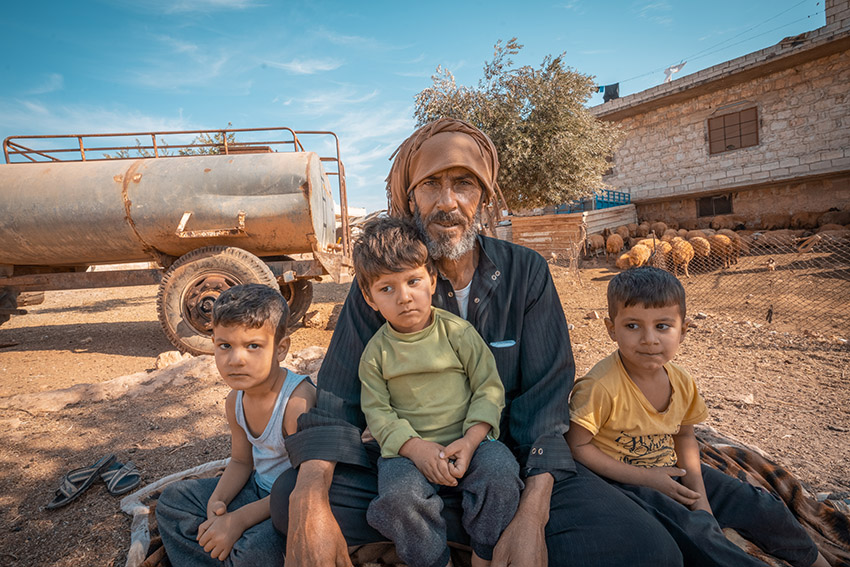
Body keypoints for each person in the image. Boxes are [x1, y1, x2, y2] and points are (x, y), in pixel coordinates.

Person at [271, 117, 683, 566]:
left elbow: (547, 405)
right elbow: (338, 398)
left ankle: (457, 529)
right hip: (411, 463)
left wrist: (532, 514)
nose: (446, 202)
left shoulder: (527, 273)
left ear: (484, 197)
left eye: (463, 184)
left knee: (650, 550)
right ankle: (451, 529)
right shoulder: (382, 282)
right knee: (289, 498)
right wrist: (309, 499)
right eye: (430, 185)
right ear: (411, 198)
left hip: (505, 464)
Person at [566, 266, 828, 567]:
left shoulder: (682, 381)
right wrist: (648, 478)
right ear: (611, 329)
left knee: (763, 506)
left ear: (683, 330)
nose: (649, 339)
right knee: (700, 536)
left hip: (671, 469)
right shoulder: (601, 387)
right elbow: (577, 447)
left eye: (663, 326)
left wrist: (701, 498)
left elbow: (684, 436)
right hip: (623, 482)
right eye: (633, 326)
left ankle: (818, 562)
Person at [354, 216, 522, 567]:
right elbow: (378, 413)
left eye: (413, 281)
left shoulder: (458, 334)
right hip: (407, 453)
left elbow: (488, 389)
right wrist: (415, 449)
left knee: (502, 473)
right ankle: (434, 559)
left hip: (470, 444)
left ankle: (483, 553)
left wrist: (472, 440)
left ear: (431, 280)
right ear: (369, 298)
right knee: (398, 497)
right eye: (387, 289)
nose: (404, 298)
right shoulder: (375, 354)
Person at [156, 284, 316, 566]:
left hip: (290, 504)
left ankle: (221, 551)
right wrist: (216, 504)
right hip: (256, 489)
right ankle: (221, 547)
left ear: (281, 349)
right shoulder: (235, 401)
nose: (236, 359)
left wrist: (238, 521)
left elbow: (307, 485)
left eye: (253, 346)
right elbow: (242, 462)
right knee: (172, 501)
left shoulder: (296, 403)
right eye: (225, 346)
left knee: (253, 552)